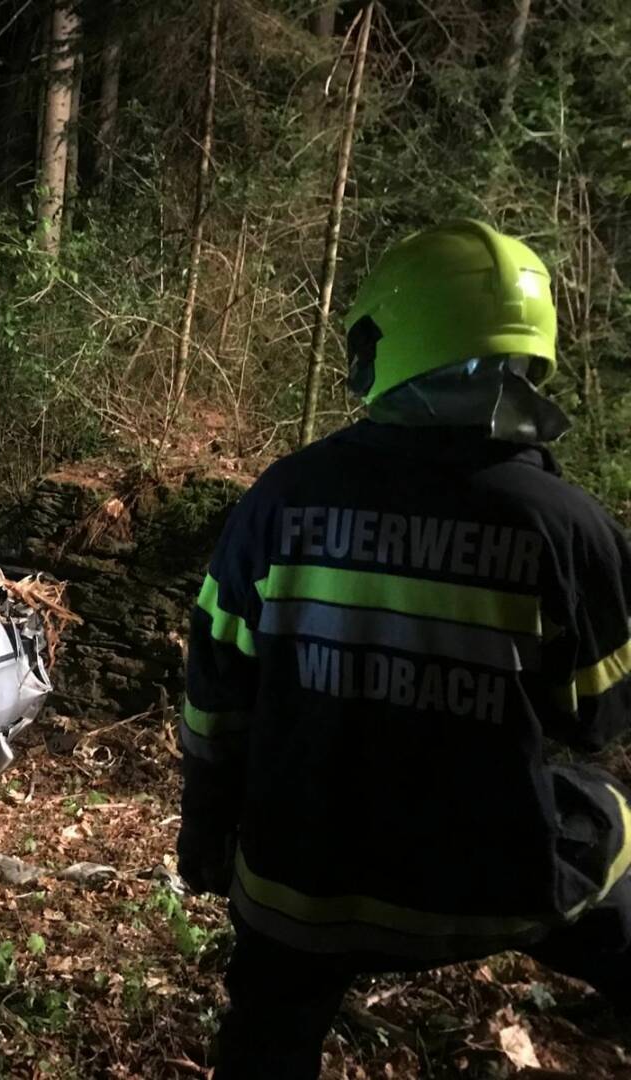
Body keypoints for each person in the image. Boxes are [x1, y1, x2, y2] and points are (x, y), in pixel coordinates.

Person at [177, 220, 631, 1079]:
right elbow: (598, 719)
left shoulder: (282, 498)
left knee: (267, 1033)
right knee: (614, 836)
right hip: (489, 892)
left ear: (388, 342)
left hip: (298, 893)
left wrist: (205, 830)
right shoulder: (571, 531)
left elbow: (215, 697)